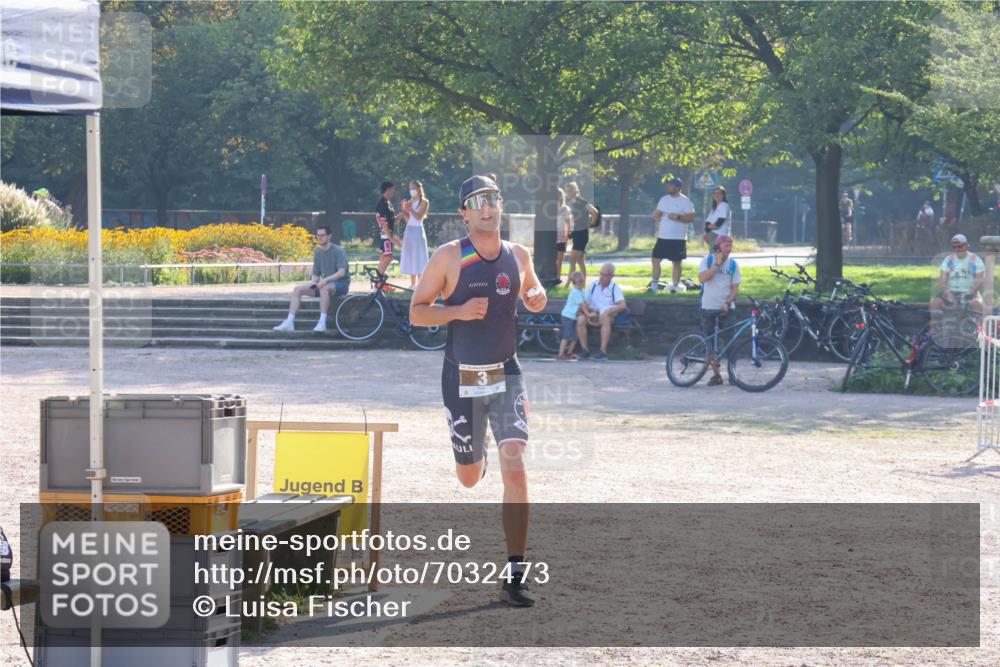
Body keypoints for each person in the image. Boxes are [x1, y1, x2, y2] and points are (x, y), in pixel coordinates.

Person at [409, 174, 547, 608]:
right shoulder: (449, 257)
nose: (486, 208)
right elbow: (416, 314)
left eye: (492, 199)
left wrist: (537, 295)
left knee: (517, 463)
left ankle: (515, 572)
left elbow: (531, 289)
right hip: (463, 376)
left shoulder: (518, 255)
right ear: (464, 212)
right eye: (476, 202)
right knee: (469, 478)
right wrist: (458, 311)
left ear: (501, 205)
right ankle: (475, 457)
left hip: (506, 371)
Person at [273, 226, 351, 333]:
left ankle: (322, 323)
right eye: (318, 235)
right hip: (324, 284)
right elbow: (315, 276)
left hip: (341, 284)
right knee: (297, 289)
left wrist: (325, 280)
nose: (319, 237)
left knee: (324, 288)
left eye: (322, 235)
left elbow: (341, 273)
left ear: (329, 236)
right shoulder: (318, 253)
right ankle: (289, 322)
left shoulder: (339, 251)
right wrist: (314, 284)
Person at [697, 235, 742, 386]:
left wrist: (728, 302)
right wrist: (716, 265)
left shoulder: (733, 265)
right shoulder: (707, 260)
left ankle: (732, 374)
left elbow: (735, 288)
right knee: (710, 343)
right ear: (718, 246)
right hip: (708, 307)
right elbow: (702, 279)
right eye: (726, 245)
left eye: (731, 245)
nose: (729, 248)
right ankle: (716, 375)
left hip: (727, 309)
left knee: (731, 343)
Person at [651, 177, 696, 293]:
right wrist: (656, 215)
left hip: (678, 238)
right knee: (655, 260)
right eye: (668, 185)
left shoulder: (685, 201)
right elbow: (657, 214)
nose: (668, 187)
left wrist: (678, 217)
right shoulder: (664, 199)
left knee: (676, 262)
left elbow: (691, 217)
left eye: (671, 185)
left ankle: (675, 286)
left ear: (677, 187)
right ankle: (654, 285)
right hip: (663, 236)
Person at [575, 262, 628, 361]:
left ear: (611, 276)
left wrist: (608, 311)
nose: (602, 277)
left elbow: (622, 305)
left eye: (605, 275)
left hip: (607, 315)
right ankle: (585, 350)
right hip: (593, 314)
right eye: (601, 274)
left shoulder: (614, 288)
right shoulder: (594, 285)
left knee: (606, 320)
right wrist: (589, 311)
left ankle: (602, 351)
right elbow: (585, 302)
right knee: (580, 320)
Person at [929, 233, 984, 314]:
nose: (957, 249)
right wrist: (947, 292)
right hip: (951, 291)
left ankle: (979, 325)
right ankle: (935, 325)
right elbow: (942, 280)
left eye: (960, 246)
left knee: (977, 305)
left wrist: (969, 292)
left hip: (969, 291)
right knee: (934, 304)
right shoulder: (948, 260)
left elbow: (979, 280)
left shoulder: (975, 259)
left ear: (966, 246)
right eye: (954, 247)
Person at [564, 182, 598, 283]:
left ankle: (568, 284)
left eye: (569, 190)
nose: (568, 192)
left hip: (582, 233)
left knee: (572, 260)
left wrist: (591, 224)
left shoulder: (581, 201)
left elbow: (594, 212)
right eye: (567, 191)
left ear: (574, 190)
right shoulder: (573, 203)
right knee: (580, 261)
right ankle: (582, 284)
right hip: (577, 232)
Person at [400, 180, 430, 287]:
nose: (411, 191)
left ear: (418, 189)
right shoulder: (409, 202)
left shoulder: (425, 202)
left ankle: (420, 284)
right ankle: (412, 284)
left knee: (419, 256)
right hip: (409, 230)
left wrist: (410, 209)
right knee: (411, 256)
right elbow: (409, 220)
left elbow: (418, 217)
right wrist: (404, 211)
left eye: (413, 188)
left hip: (418, 230)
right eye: (410, 188)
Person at [375, 181, 401, 278]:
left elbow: (392, 221)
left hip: (387, 233)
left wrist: (403, 212)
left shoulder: (388, 203)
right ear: (387, 189)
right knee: (388, 257)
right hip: (385, 234)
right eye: (392, 189)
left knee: (383, 257)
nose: (393, 191)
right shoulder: (382, 202)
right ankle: (379, 279)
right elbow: (383, 221)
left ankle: (379, 281)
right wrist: (390, 237)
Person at [558, 271, 586, 360]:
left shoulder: (582, 292)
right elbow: (582, 305)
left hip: (574, 317)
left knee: (575, 336)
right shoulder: (575, 292)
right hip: (567, 316)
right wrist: (588, 314)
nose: (581, 283)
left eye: (582, 281)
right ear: (574, 283)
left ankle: (569, 352)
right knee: (567, 336)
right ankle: (561, 353)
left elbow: (586, 303)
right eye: (579, 282)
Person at [555, 187, 572, 285]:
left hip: (561, 236)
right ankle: (553, 275)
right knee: (552, 258)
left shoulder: (566, 209)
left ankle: (558, 276)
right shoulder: (551, 207)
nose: (559, 198)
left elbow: (568, 223)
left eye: (560, 195)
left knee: (560, 259)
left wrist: (567, 236)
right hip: (552, 235)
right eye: (558, 196)